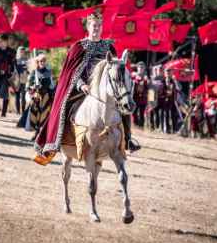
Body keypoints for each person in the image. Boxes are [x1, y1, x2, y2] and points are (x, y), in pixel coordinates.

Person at [33, 12, 140, 165]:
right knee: (64, 107)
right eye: (93, 26)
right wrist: (81, 84)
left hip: (104, 91)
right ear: (88, 27)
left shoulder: (108, 46)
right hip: (81, 89)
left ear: (102, 28)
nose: (96, 28)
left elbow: (116, 70)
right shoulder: (79, 47)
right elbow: (71, 72)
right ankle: (57, 140)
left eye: (98, 26)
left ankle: (128, 139)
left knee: (123, 107)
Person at [18, 53, 55, 141]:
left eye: (44, 61)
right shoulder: (34, 72)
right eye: (41, 61)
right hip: (36, 97)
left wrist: (52, 92)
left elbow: (52, 86)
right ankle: (36, 133)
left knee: (44, 116)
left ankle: (40, 135)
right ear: (38, 62)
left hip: (46, 97)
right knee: (35, 116)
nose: (42, 62)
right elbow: (28, 84)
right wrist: (32, 88)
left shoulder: (49, 72)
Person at [162, 69, 180, 134]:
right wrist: (165, 93)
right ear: (164, 74)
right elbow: (160, 91)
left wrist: (176, 81)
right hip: (165, 100)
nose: (168, 74)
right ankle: (167, 129)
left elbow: (179, 88)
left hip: (173, 100)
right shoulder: (162, 81)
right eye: (167, 73)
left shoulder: (174, 81)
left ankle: (174, 129)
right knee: (166, 115)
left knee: (173, 115)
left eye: (169, 73)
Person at [131, 61, 148, 127]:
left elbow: (150, 89)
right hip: (135, 98)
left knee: (142, 114)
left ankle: (141, 127)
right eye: (139, 67)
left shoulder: (146, 77)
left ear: (144, 69)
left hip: (143, 99)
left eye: (142, 67)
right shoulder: (133, 76)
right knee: (134, 113)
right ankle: (135, 125)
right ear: (137, 68)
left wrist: (151, 100)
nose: (141, 69)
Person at [149, 65, 166, 131]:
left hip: (162, 99)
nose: (160, 71)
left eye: (161, 70)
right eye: (159, 70)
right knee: (152, 113)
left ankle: (160, 127)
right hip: (153, 98)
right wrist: (151, 101)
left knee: (160, 114)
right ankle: (152, 127)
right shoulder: (152, 79)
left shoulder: (164, 79)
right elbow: (150, 90)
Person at [15, 46, 28, 114]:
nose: (22, 52)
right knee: (17, 95)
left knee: (23, 96)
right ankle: (17, 111)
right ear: (18, 52)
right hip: (17, 79)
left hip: (24, 78)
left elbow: (28, 69)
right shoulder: (15, 60)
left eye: (23, 51)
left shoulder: (26, 59)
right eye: (21, 51)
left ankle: (23, 110)